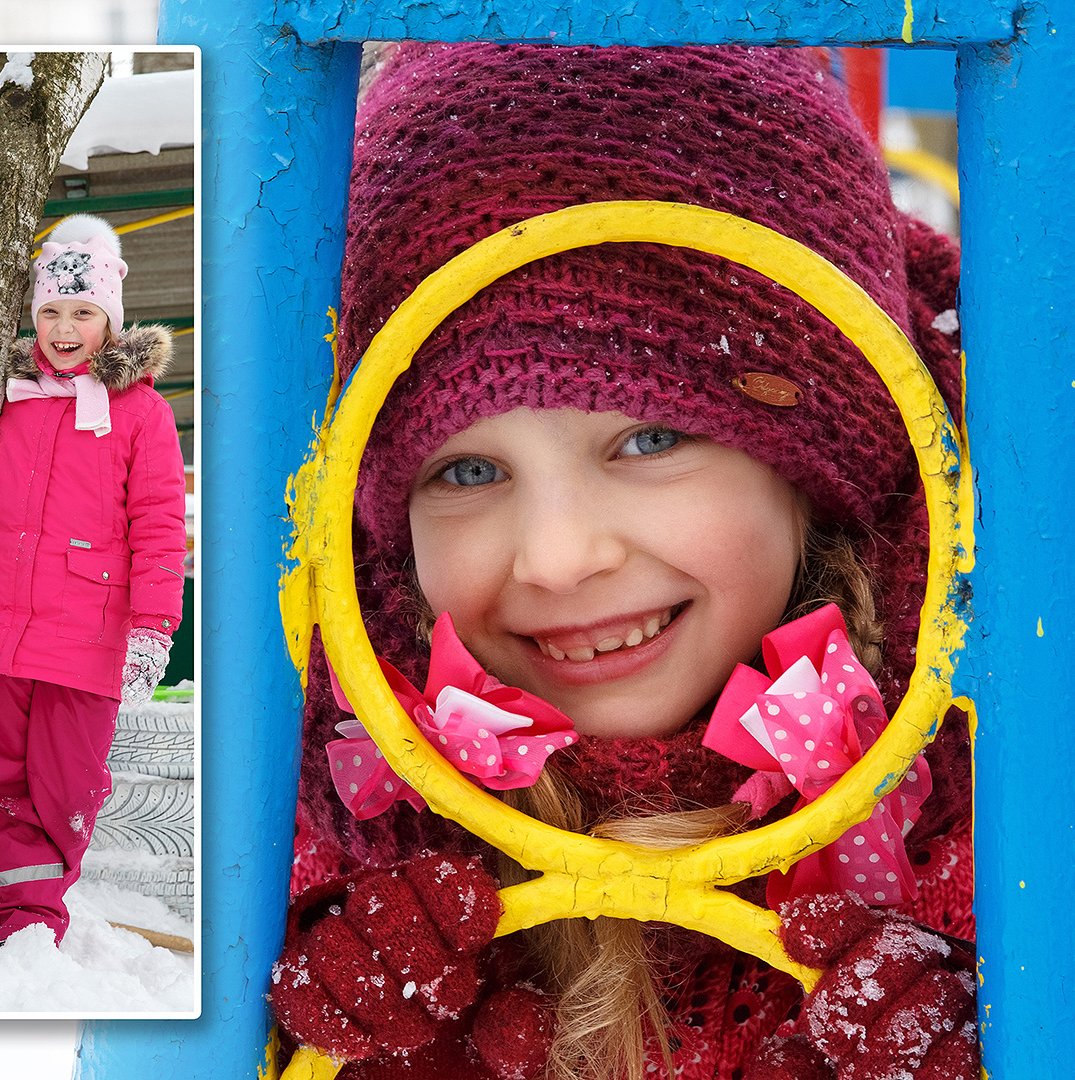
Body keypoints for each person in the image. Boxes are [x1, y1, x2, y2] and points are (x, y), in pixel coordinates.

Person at [268, 45, 973, 1080]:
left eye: (650, 439)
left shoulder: (995, 750)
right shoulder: (329, 763)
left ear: (821, 458)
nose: (558, 558)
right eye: (466, 471)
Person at [0, 214, 187, 948]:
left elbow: (158, 525)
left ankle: (35, 910)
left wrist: (153, 630)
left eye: (82, 312)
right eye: (51, 310)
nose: (64, 327)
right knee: (1, 783)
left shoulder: (142, 413)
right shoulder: (0, 399)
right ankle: (27, 922)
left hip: (86, 638)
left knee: (70, 785)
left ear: (110, 322)